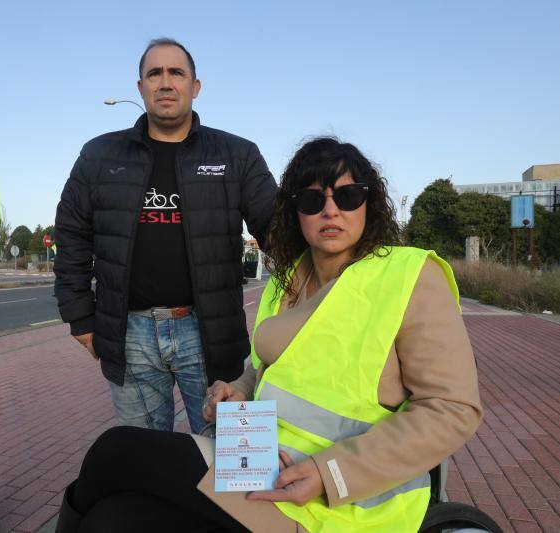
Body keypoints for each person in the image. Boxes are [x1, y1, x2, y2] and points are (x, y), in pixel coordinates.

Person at [53, 137, 483, 532]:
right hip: (259, 463)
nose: (330, 210)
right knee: (111, 519)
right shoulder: (289, 280)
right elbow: (274, 368)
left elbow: (452, 408)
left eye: (348, 196)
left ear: (369, 204)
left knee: (117, 452)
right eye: (313, 199)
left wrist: (329, 472)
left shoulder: (408, 275)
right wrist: (240, 387)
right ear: (295, 212)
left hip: (343, 499)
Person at [54, 38, 276, 435]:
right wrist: (79, 319)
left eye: (177, 73)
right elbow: (71, 237)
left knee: (228, 457)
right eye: (154, 74)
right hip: (129, 335)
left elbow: (278, 230)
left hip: (210, 333)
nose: (166, 82)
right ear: (140, 88)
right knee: (144, 459)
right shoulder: (100, 156)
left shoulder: (237, 155)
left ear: (195, 86)